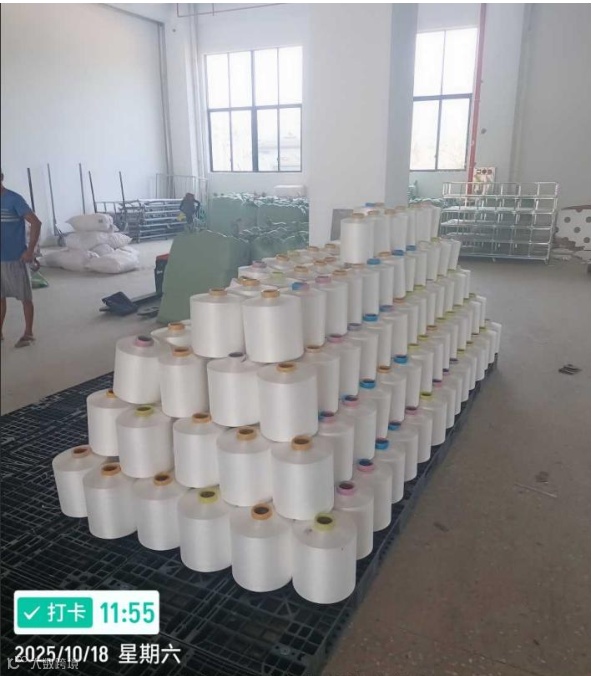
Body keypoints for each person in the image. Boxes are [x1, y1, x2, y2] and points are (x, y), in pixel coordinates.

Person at [1, 170, 42, 347]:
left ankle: (28, 333)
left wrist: (30, 251)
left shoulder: (14, 199)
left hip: (15, 258)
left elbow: (36, 222)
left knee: (25, 297)